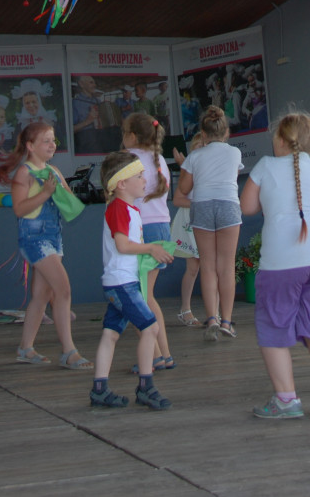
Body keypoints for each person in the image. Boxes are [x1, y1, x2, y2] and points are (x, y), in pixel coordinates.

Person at [240, 111, 310, 419]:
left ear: (282, 140)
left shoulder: (265, 165)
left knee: (274, 328)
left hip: (282, 261)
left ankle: (286, 400)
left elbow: (247, 207)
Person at [0, 122, 92, 370]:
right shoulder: (24, 173)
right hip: (34, 238)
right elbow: (19, 209)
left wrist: (62, 191)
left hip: (53, 237)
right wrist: (45, 193)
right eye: (46, 141)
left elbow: (68, 201)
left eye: (53, 140)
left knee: (41, 295)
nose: (52, 145)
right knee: (64, 290)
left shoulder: (54, 171)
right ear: (30, 146)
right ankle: (69, 351)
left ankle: (26, 347)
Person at [89, 151, 175, 410]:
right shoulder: (119, 208)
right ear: (120, 184)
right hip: (122, 284)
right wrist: (150, 249)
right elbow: (123, 245)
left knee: (110, 334)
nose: (144, 180)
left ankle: (100, 388)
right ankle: (146, 387)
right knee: (150, 329)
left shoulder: (128, 209)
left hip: (121, 281)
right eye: (138, 176)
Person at [178, 105, 243, 342]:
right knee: (226, 266)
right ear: (226, 134)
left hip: (202, 206)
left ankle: (212, 319)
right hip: (228, 206)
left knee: (207, 265)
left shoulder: (195, 155)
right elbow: (231, 178)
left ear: (203, 135)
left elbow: (184, 189)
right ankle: (227, 321)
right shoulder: (235, 153)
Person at [122, 113, 176, 371]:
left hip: (141, 232)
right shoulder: (159, 161)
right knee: (148, 296)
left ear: (132, 137)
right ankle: (164, 354)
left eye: (123, 133)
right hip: (162, 229)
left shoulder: (129, 159)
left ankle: (154, 356)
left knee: (136, 299)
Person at [171, 131, 210, 326]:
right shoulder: (189, 175)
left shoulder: (212, 174)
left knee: (210, 267)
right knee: (193, 267)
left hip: (206, 221)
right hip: (190, 222)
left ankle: (215, 314)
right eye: (196, 148)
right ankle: (185, 309)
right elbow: (178, 199)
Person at [72, 75, 102, 153]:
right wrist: (88, 121)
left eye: (94, 83)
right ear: (81, 84)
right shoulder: (75, 103)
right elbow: (70, 130)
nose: (94, 85)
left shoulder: (98, 101)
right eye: (91, 82)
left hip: (101, 137)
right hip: (85, 141)